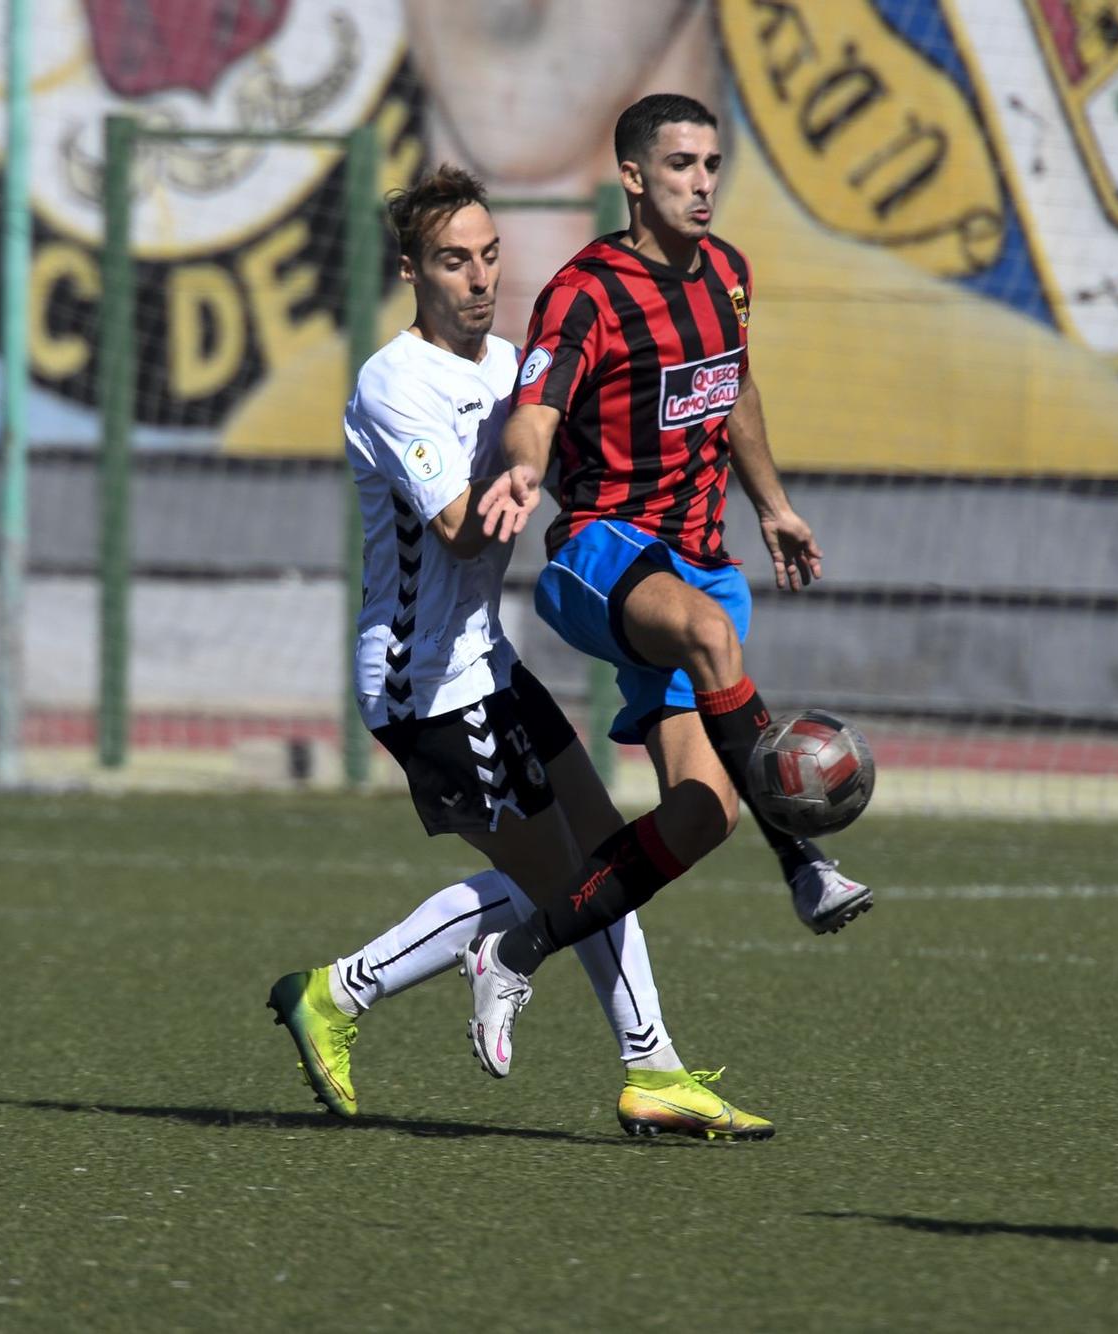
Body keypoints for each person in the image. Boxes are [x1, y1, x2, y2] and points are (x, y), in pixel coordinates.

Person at [265, 165, 771, 1141]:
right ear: (411, 270)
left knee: (610, 855)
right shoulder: (392, 381)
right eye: (453, 260)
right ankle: (336, 992)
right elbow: (459, 528)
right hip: (421, 684)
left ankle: (652, 1069)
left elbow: (582, 452)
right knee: (561, 879)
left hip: (486, 662)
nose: (479, 277)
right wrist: (518, 473)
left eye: (490, 255)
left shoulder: (510, 365)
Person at [457, 92, 872, 1077]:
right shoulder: (586, 291)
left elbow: (736, 386)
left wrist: (771, 503)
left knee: (700, 813)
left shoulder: (727, 274)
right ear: (634, 177)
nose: (701, 183)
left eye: (711, 165)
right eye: (681, 165)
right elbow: (537, 405)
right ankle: (803, 861)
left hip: (701, 566)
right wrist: (521, 466)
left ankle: (512, 951)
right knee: (707, 635)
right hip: (598, 554)